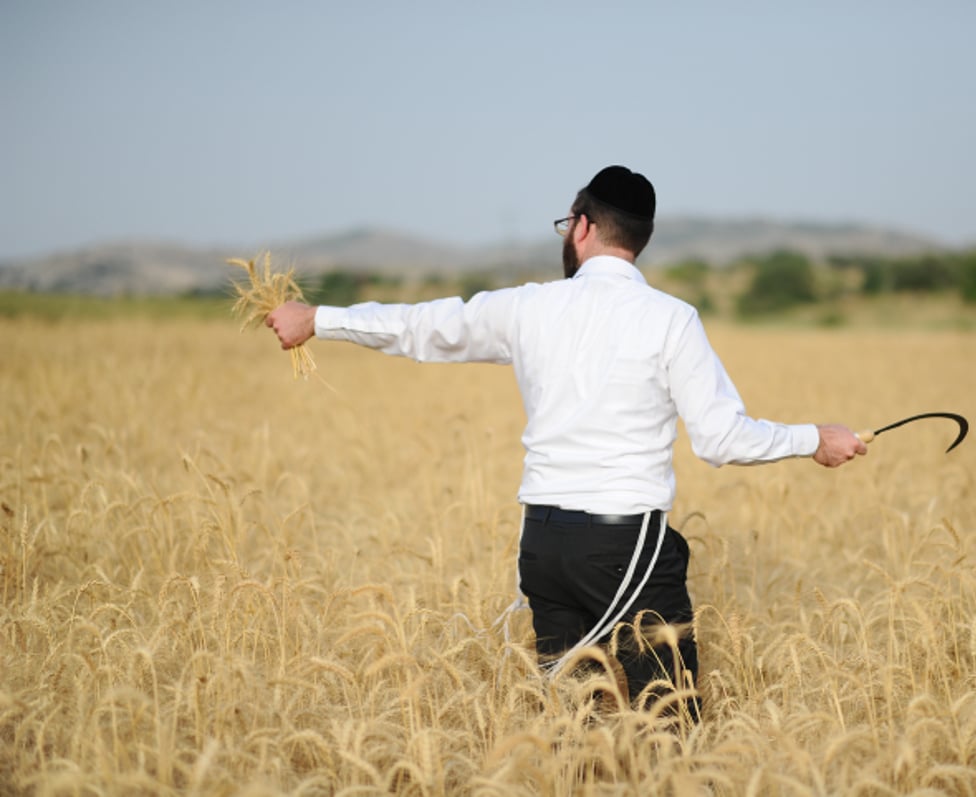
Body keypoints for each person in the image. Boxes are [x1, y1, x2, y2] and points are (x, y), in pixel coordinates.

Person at [265, 165, 867, 723]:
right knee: (672, 722)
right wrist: (815, 438)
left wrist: (319, 318)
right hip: (626, 546)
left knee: (571, 728)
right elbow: (720, 438)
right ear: (638, 238)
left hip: (542, 545)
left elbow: (423, 327)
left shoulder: (529, 306)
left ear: (582, 225)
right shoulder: (671, 318)